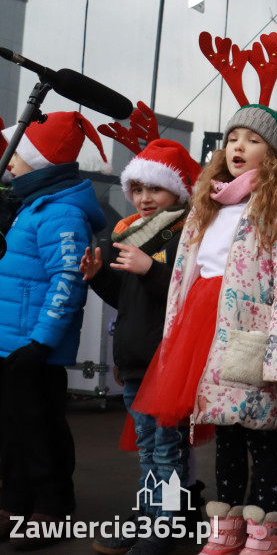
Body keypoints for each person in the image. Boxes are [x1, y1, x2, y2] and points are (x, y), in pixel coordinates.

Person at [130, 103, 277, 555]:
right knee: (226, 434)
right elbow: (182, 274)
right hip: (203, 328)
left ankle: (265, 531)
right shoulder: (207, 201)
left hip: (252, 331)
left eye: (252, 140)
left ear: (270, 153)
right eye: (234, 138)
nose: (238, 147)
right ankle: (227, 524)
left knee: (265, 437)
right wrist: (174, 332)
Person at [80, 137, 202, 555]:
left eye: (155, 188)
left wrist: (150, 268)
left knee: (166, 452)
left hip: (166, 364)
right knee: (150, 450)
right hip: (136, 361)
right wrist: (100, 278)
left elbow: (185, 297)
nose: (144, 197)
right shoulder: (132, 233)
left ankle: (165, 526)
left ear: (179, 191)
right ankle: (152, 517)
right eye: (138, 188)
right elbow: (130, 300)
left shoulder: (186, 236)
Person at [0, 112, 109, 549]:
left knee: (40, 426)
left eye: (18, 155)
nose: (9, 163)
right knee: (12, 427)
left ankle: (53, 505)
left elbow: (67, 280)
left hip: (32, 347)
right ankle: (16, 498)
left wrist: (40, 342)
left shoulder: (60, 212)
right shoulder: (32, 206)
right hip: (12, 343)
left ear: (39, 160)